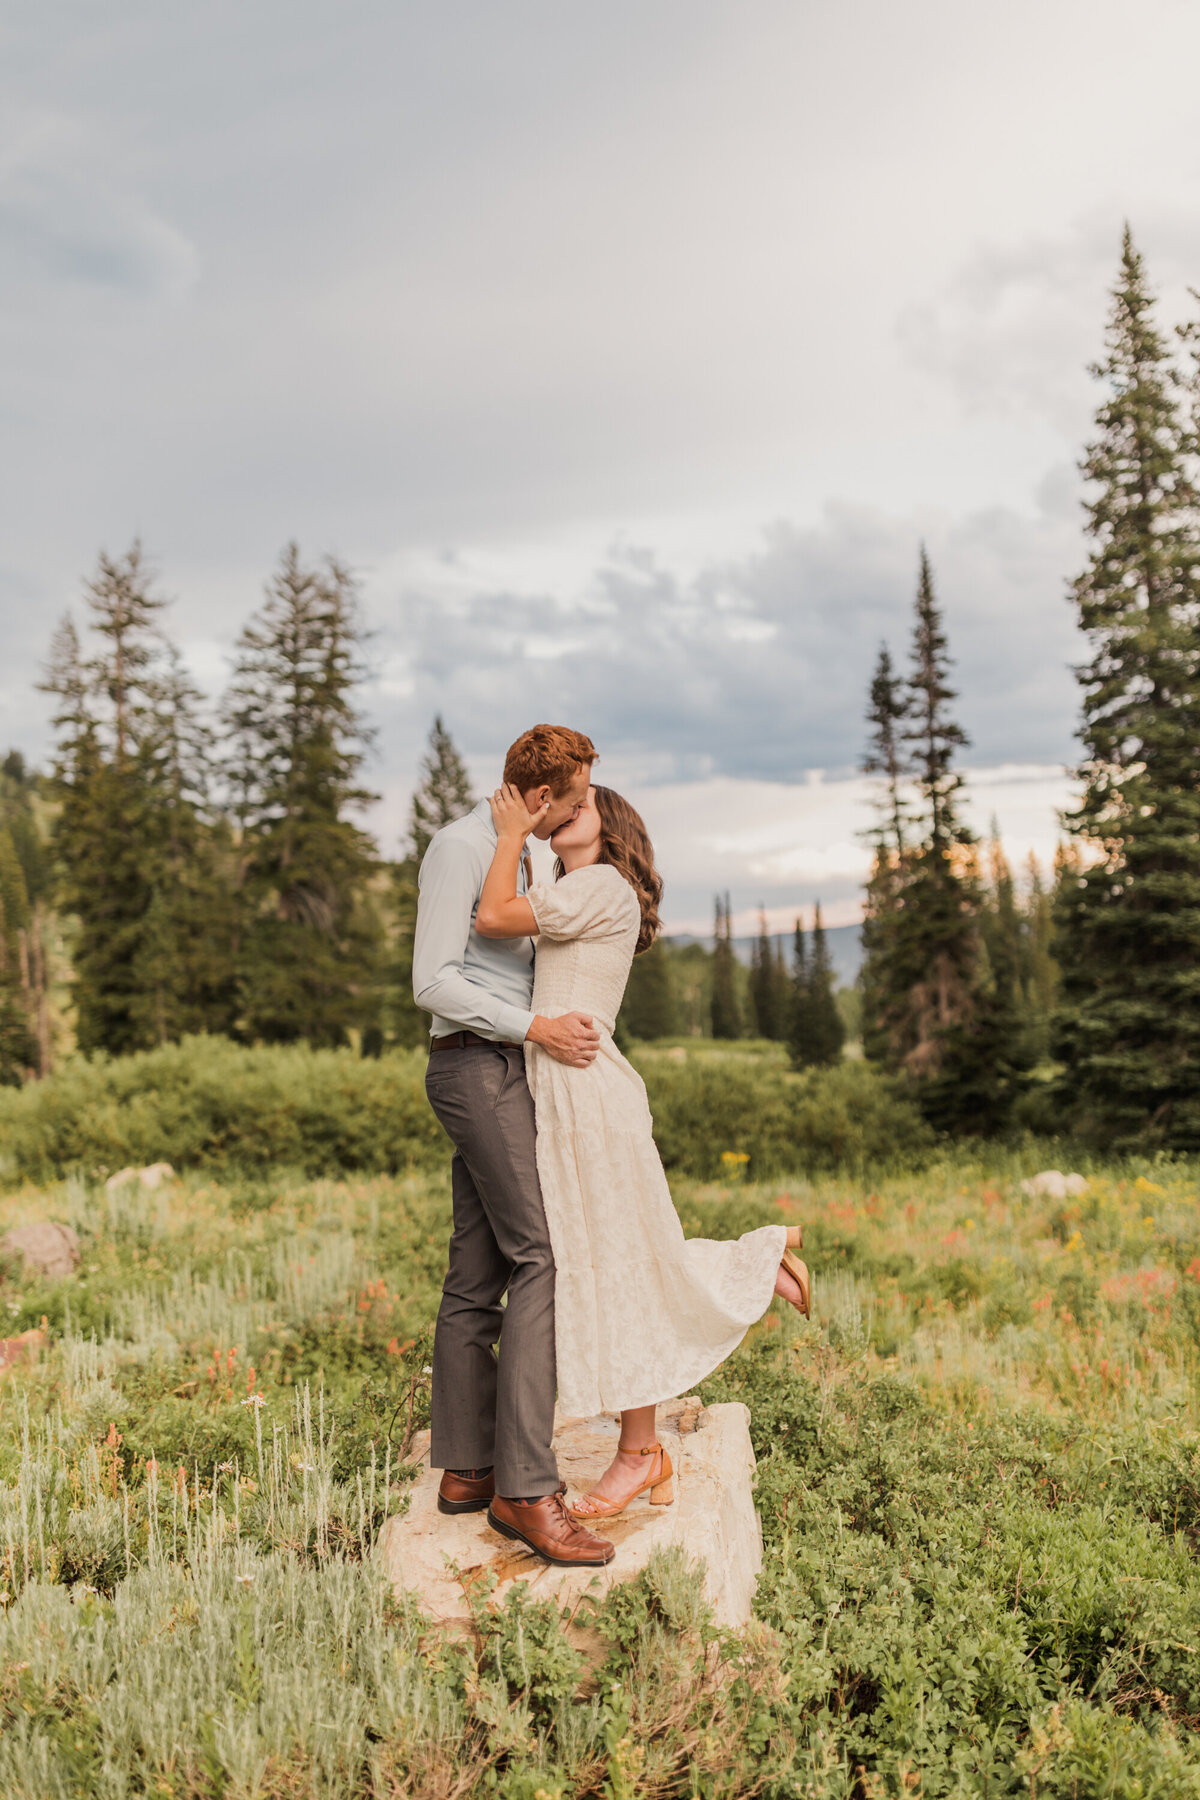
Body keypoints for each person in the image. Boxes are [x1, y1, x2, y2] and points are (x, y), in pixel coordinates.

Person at [474, 780, 810, 1523]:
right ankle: (760, 1261)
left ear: (610, 831)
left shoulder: (601, 884)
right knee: (607, 1260)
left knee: (619, 1263)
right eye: (558, 804)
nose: (561, 812)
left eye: (579, 806)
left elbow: (493, 917)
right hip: (567, 1093)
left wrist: (507, 835)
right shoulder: (573, 885)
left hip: (589, 1097)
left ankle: (639, 1450)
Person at [412, 724, 617, 1568]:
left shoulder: (519, 854)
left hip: (502, 1068)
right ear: (540, 799)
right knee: (543, 1255)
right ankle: (527, 1491)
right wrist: (533, 1026)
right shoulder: (461, 847)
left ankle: (467, 1469)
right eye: (572, 802)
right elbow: (433, 978)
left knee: (479, 1267)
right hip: (476, 1067)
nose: (579, 813)